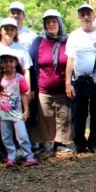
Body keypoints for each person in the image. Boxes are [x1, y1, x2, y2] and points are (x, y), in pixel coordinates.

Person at [65, 4, 96, 154]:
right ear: (79, 18)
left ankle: (93, 142)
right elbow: (70, 61)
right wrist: (68, 83)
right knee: (78, 115)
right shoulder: (73, 36)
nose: (86, 17)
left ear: (94, 16)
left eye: (88, 14)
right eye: (82, 14)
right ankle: (79, 143)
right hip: (79, 81)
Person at [0, 18, 32, 160]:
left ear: (16, 31)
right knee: (1, 124)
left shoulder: (20, 48)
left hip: (17, 90)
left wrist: (27, 90)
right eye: (6, 28)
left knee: (20, 122)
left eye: (12, 29)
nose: (9, 31)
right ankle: (2, 150)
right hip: (0, 91)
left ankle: (24, 151)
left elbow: (26, 69)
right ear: (1, 30)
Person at [28, 9, 72, 154]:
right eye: (48, 22)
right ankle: (43, 144)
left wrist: (70, 83)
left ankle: (60, 143)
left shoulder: (68, 41)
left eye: (54, 21)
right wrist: (31, 88)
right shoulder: (38, 42)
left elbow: (73, 61)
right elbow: (30, 64)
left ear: (59, 23)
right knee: (44, 116)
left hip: (63, 87)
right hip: (43, 88)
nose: (51, 25)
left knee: (63, 116)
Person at [0, 50, 37, 167]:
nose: (8, 64)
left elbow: (23, 94)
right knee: (6, 136)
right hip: (3, 112)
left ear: (16, 63)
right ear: (1, 64)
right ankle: (11, 156)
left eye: (11, 61)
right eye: (5, 61)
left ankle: (29, 156)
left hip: (17, 112)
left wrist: (26, 110)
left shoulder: (20, 78)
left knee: (22, 135)